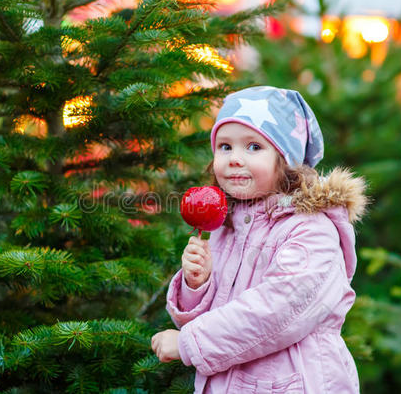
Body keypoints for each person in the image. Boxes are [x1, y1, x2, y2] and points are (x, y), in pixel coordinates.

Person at [151, 86, 367, 393]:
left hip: (292, 384)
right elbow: (216, 309)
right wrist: (197, 285)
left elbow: (278, 309)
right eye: (225, 147)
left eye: (253, 147)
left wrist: (190, 343)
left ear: (285, 160)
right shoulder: (226, 226)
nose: (235, 159)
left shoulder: (311, 229)